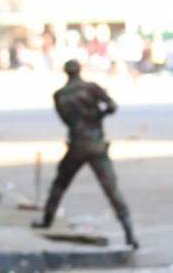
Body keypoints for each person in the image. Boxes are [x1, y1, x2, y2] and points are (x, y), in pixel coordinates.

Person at [32, 59, 138, 249]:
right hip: (96, 142)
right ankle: (129, 231)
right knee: (111, 188)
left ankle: (47, 219)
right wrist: (99, 116)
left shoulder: (59, 95)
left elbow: (65, 120)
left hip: (77, 143)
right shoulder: (91, 88)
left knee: (60, 183)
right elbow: (112, 106)